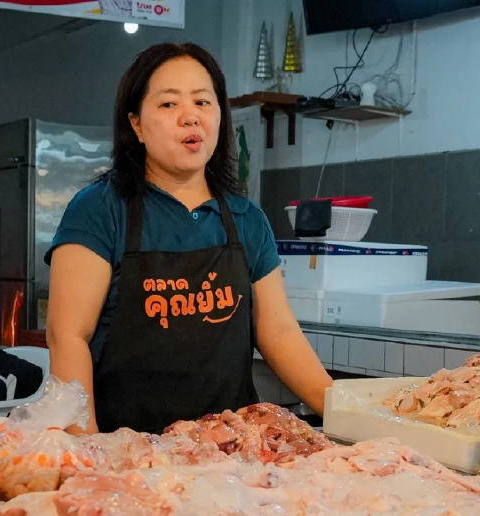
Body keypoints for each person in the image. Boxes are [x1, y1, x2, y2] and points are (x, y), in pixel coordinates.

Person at [46, 42, 332, 434]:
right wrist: (89, 452)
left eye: (203, 102)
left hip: (229, 463)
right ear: (136, 124)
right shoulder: (100, 209)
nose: (190, 117)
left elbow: (279, 332)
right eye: (168, 105)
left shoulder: (247, 219)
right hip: (127, 458)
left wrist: (350, 418)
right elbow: (67, 336)